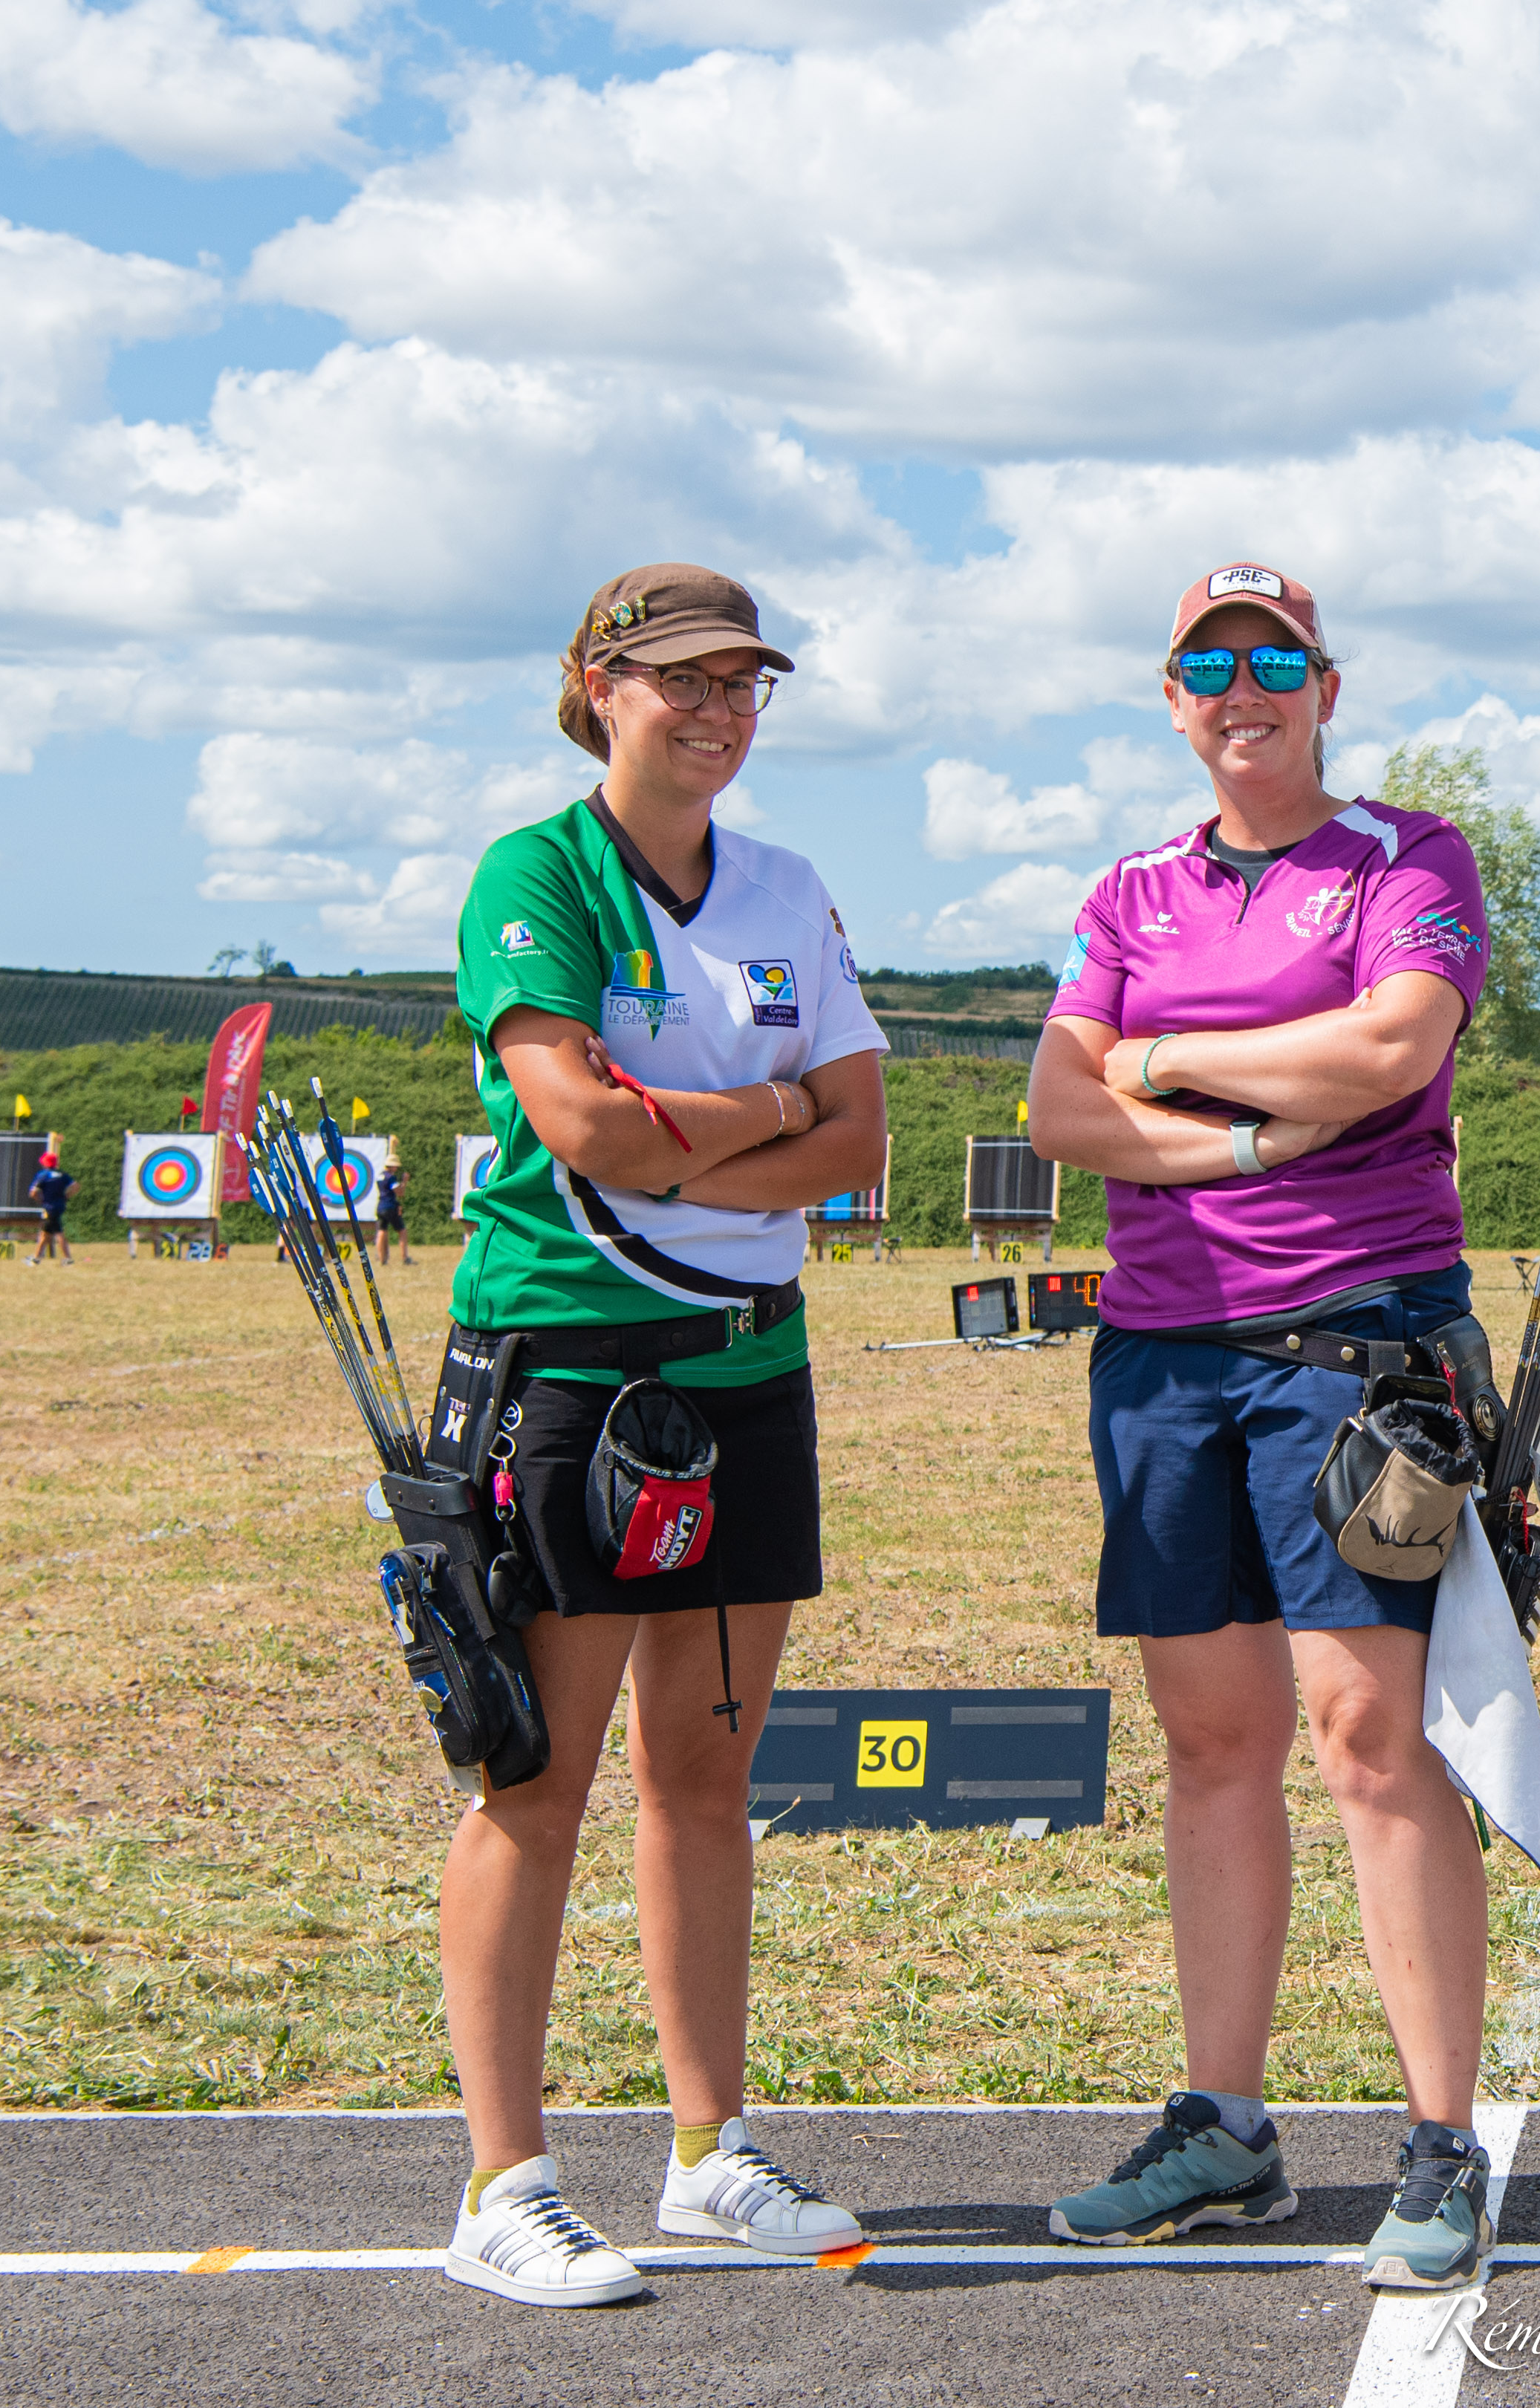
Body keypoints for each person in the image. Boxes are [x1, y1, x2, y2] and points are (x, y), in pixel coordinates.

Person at [1027, 562, 1500, 2293]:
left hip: (1352, 1352)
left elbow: (1392, 1045)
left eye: (1273, 659)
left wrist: (1167, 1058)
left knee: (1372, 1739)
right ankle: (1221, 2125)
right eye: (1205, 663)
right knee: (1210, 1742)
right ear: (1170, 697)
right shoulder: (1130, 887)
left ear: (1322, 684)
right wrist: (1222, 1129)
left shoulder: (1406, 855)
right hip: (1163, 1357)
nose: (1243, 687)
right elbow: (1059, 1102)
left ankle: (1440, 2141)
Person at [429, 563, 890, 2308]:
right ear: (595, 687)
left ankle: (707, 2154)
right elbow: (575, 1130)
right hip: (566, 1369)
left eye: (741, 684)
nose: (715, 711)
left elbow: (856, 1143)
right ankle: (505, 2180)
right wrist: (759, 1113)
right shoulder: (533, 875)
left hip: (740, 1372)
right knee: (533, 1782)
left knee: (704, 1777)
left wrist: (708, 1120)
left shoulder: (782, 884)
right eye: (679, 680)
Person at [27, 1145, 75, 1264]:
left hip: (49, 1207)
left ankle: (68, 1259)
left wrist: (40, 1200)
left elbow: (33, 1193)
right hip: (60, 1206)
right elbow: (76, 1186)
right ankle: (36, 1258)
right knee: (45, 1233)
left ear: (46, 1163)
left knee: (58, 1233)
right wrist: (66, 1196)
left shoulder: (43, 1175)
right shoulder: (62, 1175)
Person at [377, 1156, 412, 1264]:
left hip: (380, 1206)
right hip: (390, 1207)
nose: (397, 1168)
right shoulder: (390, 1178)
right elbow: (400, 1192)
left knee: (382, 1231)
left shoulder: (380, 1176)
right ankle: (405, 1257)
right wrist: (404, 1182)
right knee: (402, 1231)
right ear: (391, 1166)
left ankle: (382, 1258)